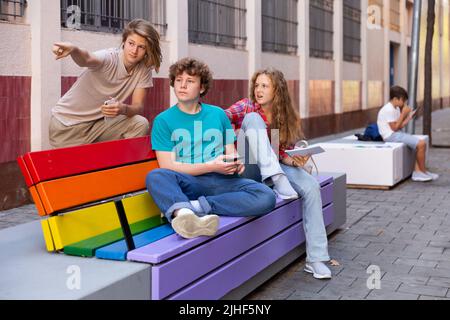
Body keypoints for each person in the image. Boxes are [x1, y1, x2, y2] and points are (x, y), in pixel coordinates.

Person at [146, 58, 276, 240]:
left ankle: (195, 208)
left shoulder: (218, 114)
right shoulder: (163, 120)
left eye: (190, 81)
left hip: (223, 180)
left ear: (201, 88)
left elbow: (231, 151)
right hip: (189, 182)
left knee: (266, 196)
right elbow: (167, 166)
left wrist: (235, 163)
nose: (182, 85)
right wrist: (210, 166)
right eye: (178, 80)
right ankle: (184, 215)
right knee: (156, 176)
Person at [225, 68, 332, 279]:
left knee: (311, 186)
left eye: (265, 86)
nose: (258, 90)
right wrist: (233, 139)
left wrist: (295, 160)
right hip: (248, 169)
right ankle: (277, 178)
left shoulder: (284, 117)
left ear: (277, 90)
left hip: (275, 167)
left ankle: (316, 259)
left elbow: (280, 152)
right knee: (253, 119)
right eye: (257, 85)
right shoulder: (246, 106)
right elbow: (218, 118)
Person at [49, 19, 163, 148]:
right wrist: (74, 50)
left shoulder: (143, 70)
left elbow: (138, 106)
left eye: (141, 47)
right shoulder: (109, 57)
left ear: (147, 50)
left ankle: (124, 166)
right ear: (124, 42)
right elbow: (87, 59)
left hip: (96, 126)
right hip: (66, 127)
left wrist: (123, 109)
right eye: (131, 43)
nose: (134, 50)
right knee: (83, 167)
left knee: (140, 123)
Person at [377, 86, 438, 182]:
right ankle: (420, 173)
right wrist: (403, 114)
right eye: (403, 100)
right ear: (395, 99)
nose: (404, 103)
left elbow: (399, 126)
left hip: (396, 133)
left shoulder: (396, 108)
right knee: (421, 144)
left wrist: (409, 117)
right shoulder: (388, 109)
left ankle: (422, 171)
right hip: (390, 136)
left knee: (420, 144)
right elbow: (395, 128)